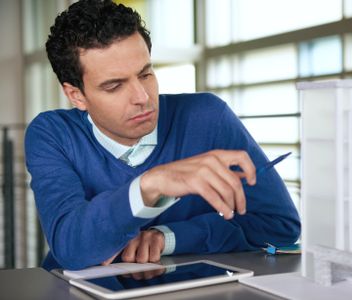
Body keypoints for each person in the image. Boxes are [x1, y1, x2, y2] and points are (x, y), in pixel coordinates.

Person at [25, 0, 300, 271]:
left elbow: (279, 226)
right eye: (114, 86)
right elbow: (71, 248)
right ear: (76, 95)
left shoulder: (208, 117)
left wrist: (169, 237)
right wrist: (150, 186)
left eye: (145, 74)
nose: (142, 98)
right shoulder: (52, 134)